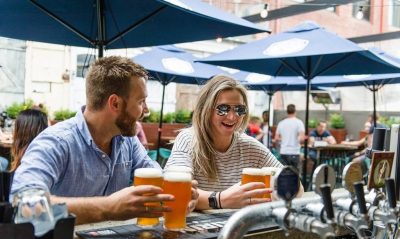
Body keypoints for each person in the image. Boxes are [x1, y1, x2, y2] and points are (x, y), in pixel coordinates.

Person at [12, 56, 198, 224]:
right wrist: (108, 207)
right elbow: (23, 207)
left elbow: (155, 177)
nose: (146, 110)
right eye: (141, 101)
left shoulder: (127, 141)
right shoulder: (57, 142)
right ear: (115, 103)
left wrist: (178, 194)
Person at [166, 75, 303, 210]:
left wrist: (279, 195)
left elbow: (297, 187)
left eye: (239, 109)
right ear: (206, 109)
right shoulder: (188, 139)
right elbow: (174, 191)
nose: (232, 117)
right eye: (223, 109)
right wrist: (220, 199)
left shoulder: (250, 146)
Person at [274, 104, 305, 173]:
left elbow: (276, 138)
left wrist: (284, 139)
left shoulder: (281, 123)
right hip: (294, 152)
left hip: (283, 152)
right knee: (295, 176)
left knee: (284, 174)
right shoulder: (299, 123)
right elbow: (302, 139)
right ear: (295, 111)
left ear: (287, 111)